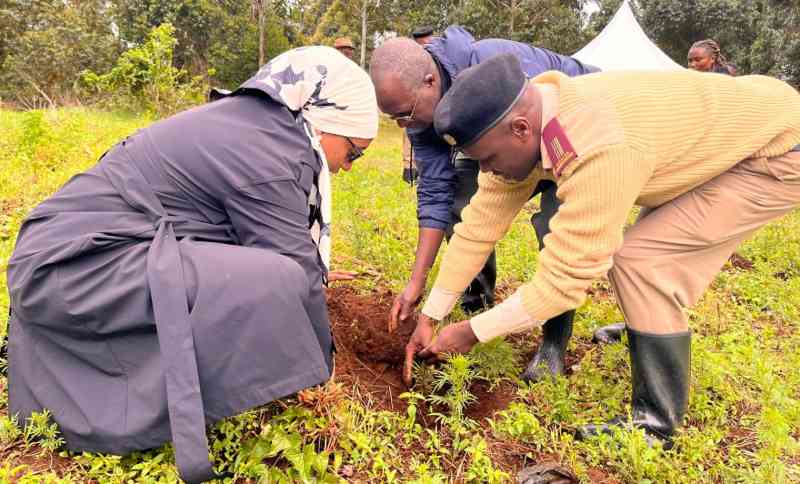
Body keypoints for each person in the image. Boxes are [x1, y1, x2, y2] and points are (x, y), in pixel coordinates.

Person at [6, 46, 378, 483]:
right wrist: (322, 373)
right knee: (278, 278)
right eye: (353, 153)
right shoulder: (267, 150)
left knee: (264, 274)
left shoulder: (257, 125)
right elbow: (294, 268)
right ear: (321, 123)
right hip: (75, 267)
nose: (347, 168)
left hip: (73, 254)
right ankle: (136, 407)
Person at [410, 53, 800, 446]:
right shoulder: (528, 119)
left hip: (776, 152)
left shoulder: (598, 144)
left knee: (642, 262)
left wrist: (472, 331)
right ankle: (646, 323)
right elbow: (478, 228)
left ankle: (656, 424)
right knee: (648, 252)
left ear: (521, 129)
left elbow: (563, 282)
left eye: (488, 159)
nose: (486, 171)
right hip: (721, 139)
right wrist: (431, 314)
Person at [369, 25, 615, 383]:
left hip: (573, 132)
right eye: (394, 119)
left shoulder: (495, 66)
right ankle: (476, 302)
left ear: (429, 82)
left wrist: (473, 333)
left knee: (554, 224)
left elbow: (541, 119)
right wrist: (418, 287)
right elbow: (437, 193)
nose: (404, 125)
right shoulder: (420, 118)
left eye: (405, 114)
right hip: (511, 142)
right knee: (463, 204)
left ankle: (553, 344)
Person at [401, 26, 436, 184]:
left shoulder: (439, 57)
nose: (425, 49)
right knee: (411, 134)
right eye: (422, 45)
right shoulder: (409, 61)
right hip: (415, 104)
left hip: (436, 106)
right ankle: (409, 170)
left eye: (428, 44)